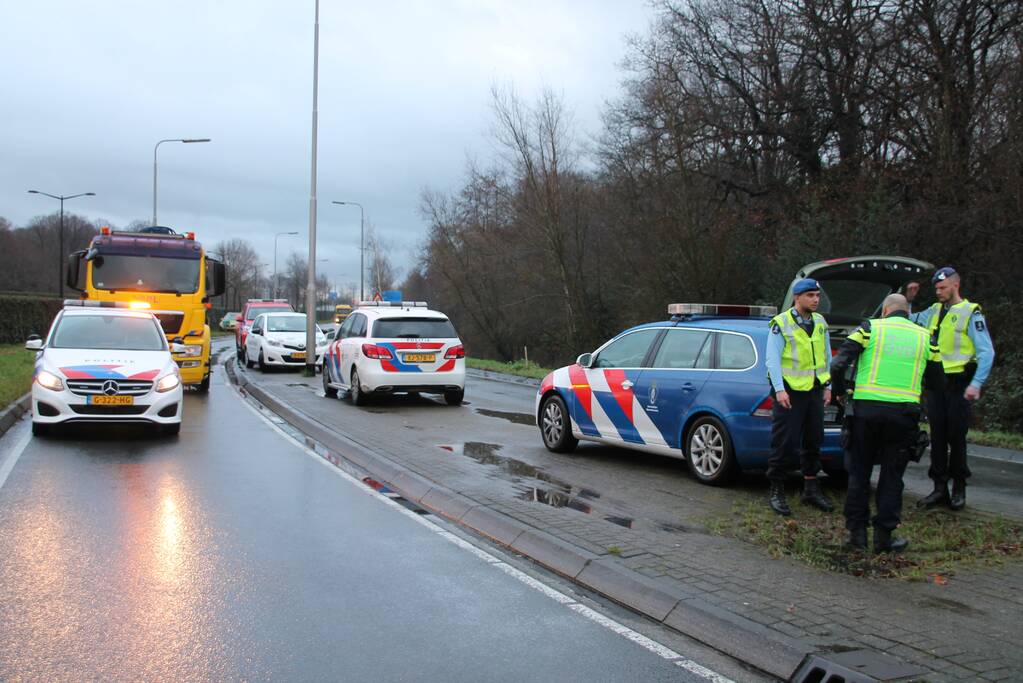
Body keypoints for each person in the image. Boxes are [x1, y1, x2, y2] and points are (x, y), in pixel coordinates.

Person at [830, 294, 944, 552]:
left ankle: (857, 536)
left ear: (885, 311)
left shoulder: (869, 329)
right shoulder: (926, 337)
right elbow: (938, 382)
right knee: (892, 476)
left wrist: (840, 393)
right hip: (904, 415)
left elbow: (837, 365)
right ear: (908, 312)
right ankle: (884, 538)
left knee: (859, 473)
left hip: (865, 412)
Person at [906, 267, 996, 510]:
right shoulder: (934, 310)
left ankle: (959, 487)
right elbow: (909, 322)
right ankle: (939, 488)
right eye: (936, 288)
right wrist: (910, 301)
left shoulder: (971, 312)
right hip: (936, 384)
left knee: (956, 438)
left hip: (959, 384)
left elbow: (986, 352)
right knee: (937, 437)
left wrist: (976, 383)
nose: (939, 292)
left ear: (956, 285)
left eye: (943, 288)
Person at [764, 278, 834, 516]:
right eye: (810, 295)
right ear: (797, 297)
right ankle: (777, 490)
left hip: (814, 389)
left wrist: (828, 384)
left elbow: (826, 355)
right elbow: (772, 359)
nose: (815, 300)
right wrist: (779, 389)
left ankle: (811, 489)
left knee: (814, 440)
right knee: (784, 443)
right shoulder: (781, 323)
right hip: (790, 392)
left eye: (817, 295)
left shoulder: (820, 322)